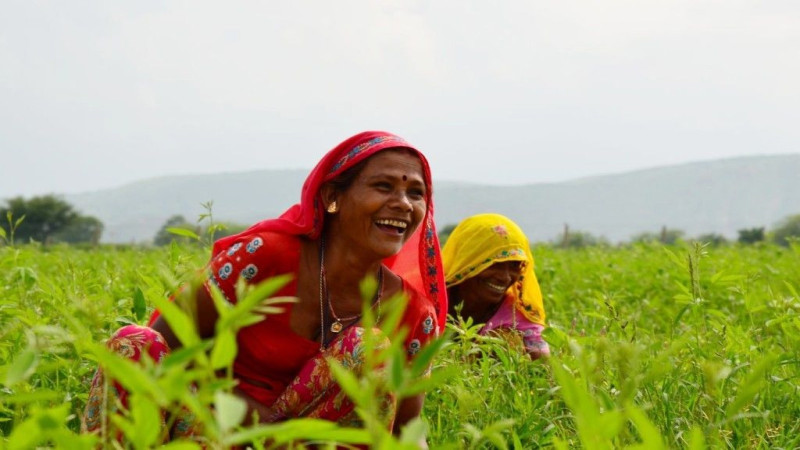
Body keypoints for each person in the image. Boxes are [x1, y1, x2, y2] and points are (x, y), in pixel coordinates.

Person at [82, 131, 447, 440]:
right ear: (332, 197)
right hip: (211, 430)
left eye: (416, 194)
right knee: (133, 344)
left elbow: (406, 434)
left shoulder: (414, 314)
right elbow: (162, 348)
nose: (402, 204)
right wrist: (260, 425)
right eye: (383, 186)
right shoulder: (266, 258)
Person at [442, 213, 550, 358]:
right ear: (466, 262)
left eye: (514, 265)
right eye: (494, 264)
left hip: (484, 379)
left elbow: (544, 366)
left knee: (507, 339)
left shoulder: (515, 316)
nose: (505, 277)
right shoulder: (429, 303)